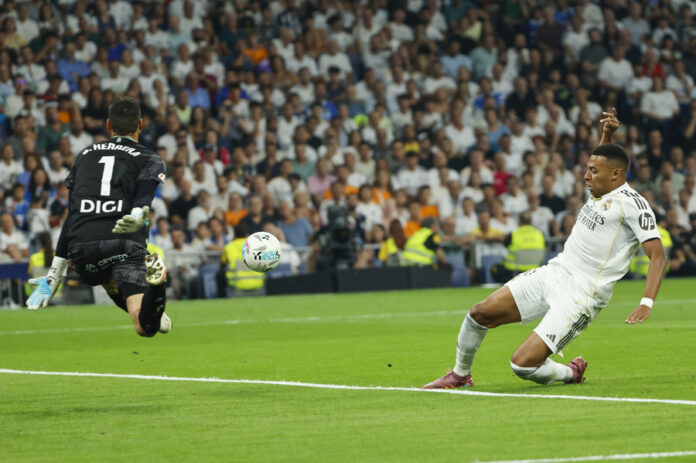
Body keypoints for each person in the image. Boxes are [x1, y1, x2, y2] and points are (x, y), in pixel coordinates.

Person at [423, 109, 666, 388]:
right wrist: (608, 134)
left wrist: (646, 303)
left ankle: (570, 372)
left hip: (582, 295)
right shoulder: (601, 186)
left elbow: (657, 255)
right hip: (556, 272)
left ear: (615, 175)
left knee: (521, 365)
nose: (586, 176)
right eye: (587, 168)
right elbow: (605, 158)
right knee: (480, 312)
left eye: (593, 171)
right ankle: (459, 375)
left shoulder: (634, 205)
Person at [25, 97, 171, 337]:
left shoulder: (84, 155)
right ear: (141, 124)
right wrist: (137, 214)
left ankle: (151, 307)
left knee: (108, 277)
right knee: (145, 327)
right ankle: (156, 290)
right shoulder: (150, 158)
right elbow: (143, 198)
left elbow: (74, 213)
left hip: (82, 249)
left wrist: (55, 273)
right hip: (124, 243)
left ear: (108, 125)